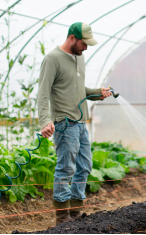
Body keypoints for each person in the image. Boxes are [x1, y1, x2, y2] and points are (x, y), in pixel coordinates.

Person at [37, 22, 112, 225]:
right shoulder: (52, 59)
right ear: (72, 38)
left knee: (85, 166)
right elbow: (43, 93)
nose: (86, 47)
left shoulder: (80, 58)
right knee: (66, 168)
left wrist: (98, 92)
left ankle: (76, 214)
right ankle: (62, 218)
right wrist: (45, 120)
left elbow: (79, 90)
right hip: (65, 123)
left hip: (80, 123)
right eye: (84, 43)